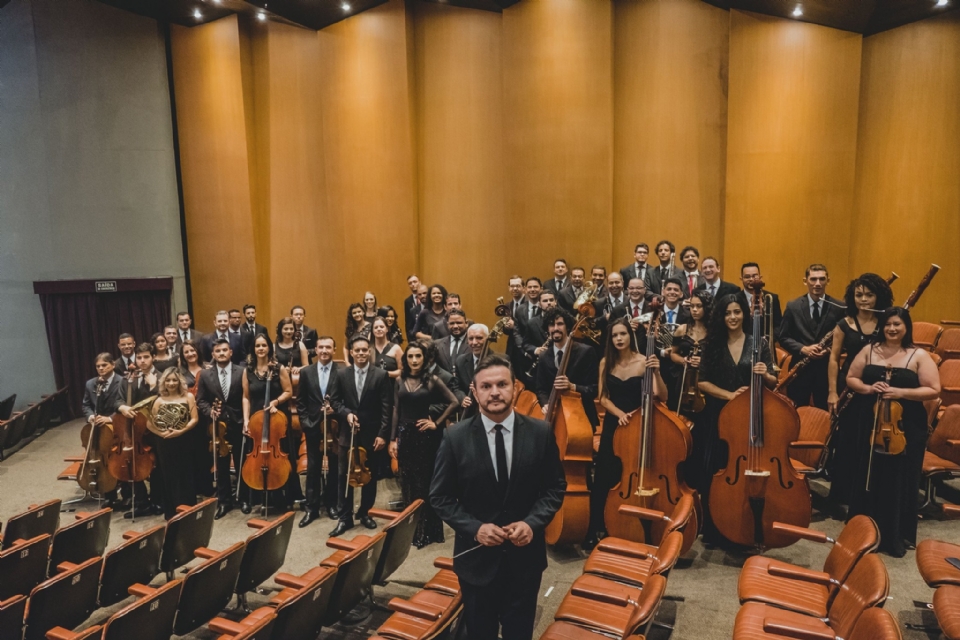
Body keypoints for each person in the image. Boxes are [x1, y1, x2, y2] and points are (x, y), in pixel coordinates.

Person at [430, 354, 566, 640]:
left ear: (515, 387)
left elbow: (554, 487)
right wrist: (475, 528)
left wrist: (532, 523)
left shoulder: (540, 432)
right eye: (486, 386)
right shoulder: (455, 437)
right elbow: (440, 497)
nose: (494, 392)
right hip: (477, 564)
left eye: (502, 384)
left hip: (525, 561)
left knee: (519, 634)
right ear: (475, 391)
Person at [843, 307, 940, 557]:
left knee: (900, 477)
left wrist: (901, 393)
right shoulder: (869, 350)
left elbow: (933, 389)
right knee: (868, 473)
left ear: (906, 327)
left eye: (897, 324)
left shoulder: (918, 355)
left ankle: (895, 534)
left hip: (906, 426)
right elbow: (851, 378)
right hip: (871, 421)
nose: (892, 329)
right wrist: (867, 388)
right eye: (888, 324)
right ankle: (862, 531)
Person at [697, 294, 777, 544]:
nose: (732, 317)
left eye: (737, 312)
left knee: (749, 472)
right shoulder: (712, 344)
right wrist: (729, 395)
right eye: (727, 313)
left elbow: (774, 382)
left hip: (751, 417)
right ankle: (715, 529)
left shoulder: (759, 343)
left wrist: (765, 374)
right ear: (721, 317)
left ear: (744, 313)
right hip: (718, 418)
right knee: (717, 471)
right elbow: (702, 382)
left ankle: (748, 528)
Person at [587, 318, 665, 548]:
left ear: (630, 336)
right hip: (615, 423)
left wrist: (657, 373)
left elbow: (661, 396)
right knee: (605, 475)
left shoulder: (643, 362)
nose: (619, 339)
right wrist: (619, 414)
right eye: (614, 335)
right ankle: (599, 526)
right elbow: (602, 398)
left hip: (639, 423)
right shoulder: (605, 362)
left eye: (623, 334)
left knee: (634, 474)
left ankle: (632, 525)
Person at [826, 274, 893, 506]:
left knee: (870, 442)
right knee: (846, 442)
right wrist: (832, 391)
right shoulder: (844, 324)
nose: (863, 299)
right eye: (858, 295)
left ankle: (866, 496)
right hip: (849, 388)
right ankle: (841, 497)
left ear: (879, 296)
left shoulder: (886, 323)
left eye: (869, 295)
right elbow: (834, 359)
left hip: (877, 388)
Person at [388, 341, 459, 547]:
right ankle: (411, 530)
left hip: (425, 438)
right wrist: (393, 439)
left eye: (418, 356)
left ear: (424, 358)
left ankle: (427, 532)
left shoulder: (433, 379)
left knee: (425, 484)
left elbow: (453, 402)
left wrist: (435, 424)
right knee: (407, 483)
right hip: (405, 435)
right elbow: (396, 410)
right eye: (410, 357)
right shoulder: (400, 380)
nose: (414, 360)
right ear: (406, 359)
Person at [328, 336, 394, 536]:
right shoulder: (341, 374)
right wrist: (346, 413)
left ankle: (365, 513)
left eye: (364, 350)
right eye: (357, 350)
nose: (361, 353)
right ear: (351, 352)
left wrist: (383, 435)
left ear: (369, 351)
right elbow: (335, 401)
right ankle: (344, 518)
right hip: (347, 434)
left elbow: (386, 408)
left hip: (372, 434)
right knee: (343, 476)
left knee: (370, 476)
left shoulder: (381, 375)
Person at [778, 264, 845, 410]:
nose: (818, 284)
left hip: (827, 372)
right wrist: (803, 349)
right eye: (813, 279)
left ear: (828, 280)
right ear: (805, 281)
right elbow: (783, 337)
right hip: (800, 370)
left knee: (827, 413)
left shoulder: (840, 307)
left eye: (822, 279)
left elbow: (845, 341)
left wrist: (827, 351)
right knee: (796, 411)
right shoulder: (793, 306)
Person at [242, 333, 295, 511]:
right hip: (257, 423)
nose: (261, 349)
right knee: (258, 458)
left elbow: (288, 391)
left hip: (276, 420)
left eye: (264, 345)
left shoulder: (278, 368)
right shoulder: (248, 370)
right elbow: (246, 397)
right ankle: (259, 497)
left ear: (269, 348)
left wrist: (276, 402)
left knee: (279, 457)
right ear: (254, 349)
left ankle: (284, 498)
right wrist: (246, 420)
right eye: (258, 346)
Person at [195, 338, 247, 519]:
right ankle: (225, 502)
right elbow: (200, 400)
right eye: (218, 351)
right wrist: (210, 412)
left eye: (225, 350)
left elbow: (246, 397)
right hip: (217, 426)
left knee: (241, 462)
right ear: (213, 354)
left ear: (231, 352)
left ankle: (244, 498)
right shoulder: (205, 375)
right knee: (222, 466)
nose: (222, 353)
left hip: (239, 422)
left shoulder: (242, 371)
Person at [297, 336, 342, 527]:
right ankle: (311, 508)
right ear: (315, 349)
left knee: (334, 466)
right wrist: (306, 423)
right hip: (313, 426)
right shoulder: (307, 372)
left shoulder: (342, 372)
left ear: (334, 350)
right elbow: (301, 402)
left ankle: (332, 504)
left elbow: (346, 399)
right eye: (321, 347)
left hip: (334, 427)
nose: (324, 350)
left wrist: (336, 411)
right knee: (314, 467)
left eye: (328, 347)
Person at [670, 291, 712, 491]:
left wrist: (703, 362)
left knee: (703, 429)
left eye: (699, 306)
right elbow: (673, 354)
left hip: (705, 385)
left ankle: (701, 478)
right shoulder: (681, 329)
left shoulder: (714, 331)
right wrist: (685, 361)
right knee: (684, 427)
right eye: (692, 306)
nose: (695, 310)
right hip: (684, 384)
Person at [118, 342, 163, 518]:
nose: (142, 361)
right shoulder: (129, 378)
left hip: (153, 429)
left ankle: (158, 501)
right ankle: (141, 502)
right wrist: (121, 407)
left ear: (153, 358)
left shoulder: (161, 377)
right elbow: (118, 399)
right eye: (139, 357)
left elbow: (168, 400)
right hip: (132, 431)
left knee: (157, 466)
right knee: (131, 463)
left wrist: (154, 387)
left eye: (146, 357)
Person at [535, 308, 600, 428]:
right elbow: (541, 389)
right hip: (555, 417)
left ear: (568, 327)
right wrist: (545, 404)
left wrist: (573, 387)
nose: (555, 328)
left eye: (560, 324)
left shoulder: (585, 352)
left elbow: (594, 389)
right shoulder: (544, 356)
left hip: (581, 415)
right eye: (551, 325)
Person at [150, 368, 199, 519]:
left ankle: (188, 509)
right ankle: (171, 511)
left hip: (183, 440)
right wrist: (162, 434)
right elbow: (149, 424)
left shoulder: (188, 397)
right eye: (168, 380)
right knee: (168, 475)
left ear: (180, 382)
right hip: (164, 442)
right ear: (163, 382)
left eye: (174, 380)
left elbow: (194, 419)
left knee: (185, 474)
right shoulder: (159, 400)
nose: (171, 383)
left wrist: (181, 431)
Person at [81, 353, 127, 507]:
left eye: (104, 365)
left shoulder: (122, 382)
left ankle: (126, 495)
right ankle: (109, 495)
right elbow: (86, 405)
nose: (101, 368)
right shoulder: (90, 384)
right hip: (98, 428)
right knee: (102, 458)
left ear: (112, 365)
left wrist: (110, 419)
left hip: (117, 425)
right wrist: (90, 417)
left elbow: (125, 403)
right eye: (98, 366)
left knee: (119, 459)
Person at [452, 324, 490, 420]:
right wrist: (462, 398)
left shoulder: (500, 361)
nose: (474, 342)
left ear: (488, 338)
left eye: (479, 338)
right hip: (469, 414)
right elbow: (456, 387)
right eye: (470, 338)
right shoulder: (460, 361)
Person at [738, 262, 782, 334]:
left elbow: (778, 326)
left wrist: (767, 340)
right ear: (741, 279)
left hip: (765, 343)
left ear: (760, 277)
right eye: (747, 277)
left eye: (754, 276)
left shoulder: (772, 298)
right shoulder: (736, 299)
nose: (751, 279)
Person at [403, 274, 423, 342]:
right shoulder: (408, 301)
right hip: (414, 337)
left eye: (415, 281)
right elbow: (408, 323)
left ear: (420, 282)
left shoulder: (427, 297)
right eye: (410, 283)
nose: (413, 284)